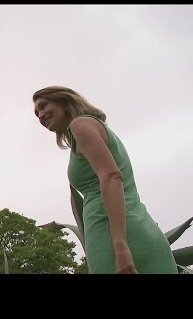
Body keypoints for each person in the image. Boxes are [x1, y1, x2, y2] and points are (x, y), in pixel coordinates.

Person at [32, 86, 177, 274]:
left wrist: (120, 246)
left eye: (43, 106)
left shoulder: (80, 125)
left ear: (64, 101)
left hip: (112, 234)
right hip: (135, 226)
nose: (41, 115)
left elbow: (111, 176)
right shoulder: (92, 128)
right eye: (37, 114)